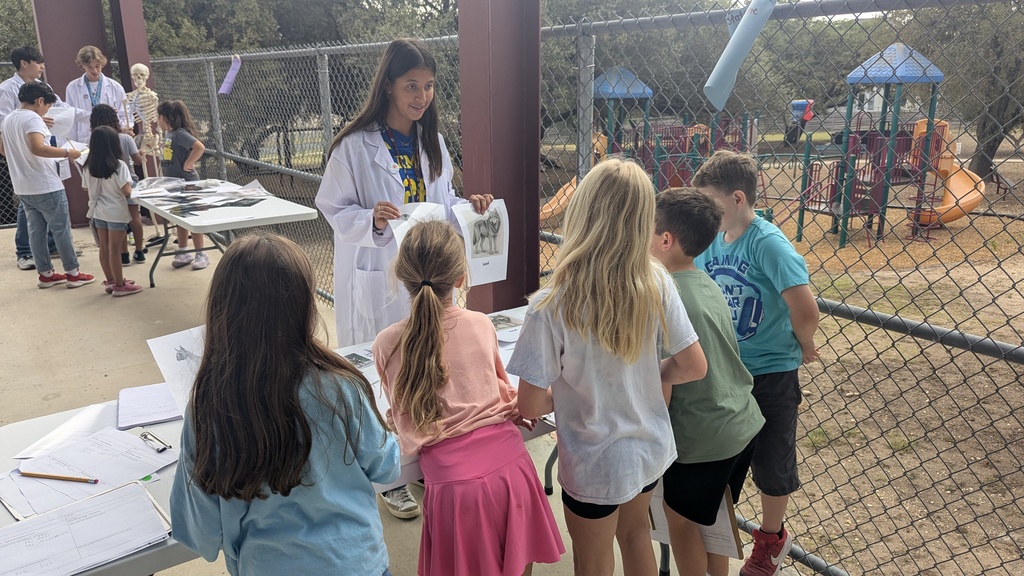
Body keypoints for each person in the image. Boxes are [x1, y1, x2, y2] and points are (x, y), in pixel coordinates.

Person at [314, 37, 492, 519]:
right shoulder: (354, 147)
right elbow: (330, 207)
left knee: (429, 364)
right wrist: (371, 219)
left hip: (426, 276)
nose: (421, 96)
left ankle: (426, 455)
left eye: (430, 86)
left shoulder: (431, 143)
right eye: (412, 85)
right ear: (389, 85)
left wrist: (467, 207)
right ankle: (387, 473)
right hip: (381, 275)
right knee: (380, 370)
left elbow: (442, 203)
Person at [507, 157, 708, 576]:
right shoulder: (656, 281)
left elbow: (527, 406)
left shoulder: (551, 304)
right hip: (647, 450)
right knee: (637, 538)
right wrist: (653, 376)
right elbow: (693, 366)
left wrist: (560, 392)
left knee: (592, 561)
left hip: (592, 464)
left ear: (582, 212)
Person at [170, 233, 401, 576]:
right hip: (355, 562)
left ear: (221, 308)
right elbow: (387, 468)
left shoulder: (208, 404)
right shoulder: (341, 386)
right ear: (305, 306)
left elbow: (200, 530)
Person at [372, 220, 564, 576]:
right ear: (461, 277)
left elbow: (406, 417)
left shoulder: (387, 343)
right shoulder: (480, 323)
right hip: (511, 468)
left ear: (403, 277)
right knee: (518, 563)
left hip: (454, 487)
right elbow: (501, 391)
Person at [692, 151, 820, 576]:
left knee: (771, 463)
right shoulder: (712, 240)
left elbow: (805, 308)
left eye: (710, 202)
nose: (705, 212)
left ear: (738, 198)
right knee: (723, 457)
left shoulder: (768, 243)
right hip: (727, 371)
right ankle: (714, 535)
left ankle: (770, 540)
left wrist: (804, 344)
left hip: (770, 374)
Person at [651, 187, 765, 576]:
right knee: (714, 518)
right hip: (741, 424)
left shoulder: (664, 296)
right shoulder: (707, 282)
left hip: (702, 438)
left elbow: (663, 390)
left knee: (679, 521)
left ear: (665, 241)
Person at [0, 82, 94, 289]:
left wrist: (21, 159)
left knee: (36, 230)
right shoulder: (33, 118)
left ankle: (45, 273)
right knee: (61, 229)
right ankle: (73, 272)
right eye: (48, 106)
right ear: (40, 101)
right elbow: (38, 147)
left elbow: (3, 149)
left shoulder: (8, 119)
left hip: (22, 185)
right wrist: (68, 153)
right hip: (45, 183)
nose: (48, 111)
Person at [0, 46, 67, 270]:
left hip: (46, 144)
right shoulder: (7, 89)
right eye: (38, 62)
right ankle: (24, 251)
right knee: (28, 201)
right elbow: (5, 122)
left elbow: (57, 108)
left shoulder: (43, 87)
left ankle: (50, 244)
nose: (42, 67)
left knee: (44, 198)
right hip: (24, 151)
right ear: (24, 63)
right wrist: (34, 120)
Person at [81, 126, 141, 297]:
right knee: (115, 249)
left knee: (104, 248)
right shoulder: (119, 165)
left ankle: (110, 281)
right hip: (116, 212)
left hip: (97, 211)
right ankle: (120, 286)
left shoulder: (88, 165)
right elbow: (127, 191)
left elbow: (85, 188)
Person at [91, 104, 146, 265]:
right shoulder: (126, 138)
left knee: (119, 219)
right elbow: (137, 161)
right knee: (134, 217)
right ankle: (140, 251)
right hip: (129, 181)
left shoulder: (95, 140)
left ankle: (124, 254)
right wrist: (141, 153)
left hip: (108, 185)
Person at [157, 100, 209, 270]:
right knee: (180, 217)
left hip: (188, 184)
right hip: (175, 185)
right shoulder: (169, 135)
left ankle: (201, 253)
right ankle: (183, 250)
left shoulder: (179, 134)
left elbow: (199, 147)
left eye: (158, 116)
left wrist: (188, 163)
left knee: (192, 216)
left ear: (163, 117)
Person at [65, 46, 127, 144]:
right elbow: (71, 116)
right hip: (85, 136)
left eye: (97, 66)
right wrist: (72, 143)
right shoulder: (73, 87)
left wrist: (124, 128)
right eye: (89, 67)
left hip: (111, 135)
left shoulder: (115, 87)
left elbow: (125, 114)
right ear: (82, 66)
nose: (95, 71)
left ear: (102, 64)